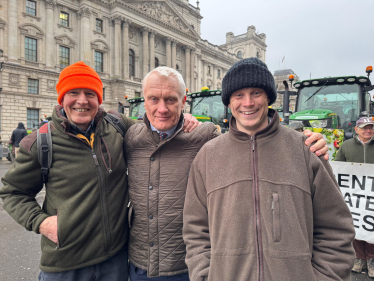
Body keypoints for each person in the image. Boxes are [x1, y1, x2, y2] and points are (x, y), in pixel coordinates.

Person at [124, 66, 330, 281]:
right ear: (144, 101)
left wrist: (308, 143)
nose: (162, 108)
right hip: (140, 265)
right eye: (153, 99)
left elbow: (333, 228)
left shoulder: (205, 137)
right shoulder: (130, 136)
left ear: (184, 101)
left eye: (171, 100)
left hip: (185, 267)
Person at [0, 62, 200, 281]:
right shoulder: (41, 142)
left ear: (99, 98)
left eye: (90, 93)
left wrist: (184, 119)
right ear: (61, 98)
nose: (82, 101)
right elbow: (13, 192)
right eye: (73, 93)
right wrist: (40, 222)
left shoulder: (118, 126)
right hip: (65, 265)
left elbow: (156, 125)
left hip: (115, 261)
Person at [183, 58, 355, 281]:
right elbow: (195, 230)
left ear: (268, 97)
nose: (247, 103)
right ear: (229, 102)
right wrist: (205, 276)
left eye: (256, 93)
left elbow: (336, 228)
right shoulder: (207, 156)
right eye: (238, 95)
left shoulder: (305, 150)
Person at [335, 116, 374, 276]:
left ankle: (371, 259)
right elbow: (338, 167)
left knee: (371, 226)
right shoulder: (346, 146)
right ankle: (358, 258)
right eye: (365, 128)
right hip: (354, 195)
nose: (368, 130)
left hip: (371, 195)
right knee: (356, 224)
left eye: (371, 127)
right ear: (357, 130)